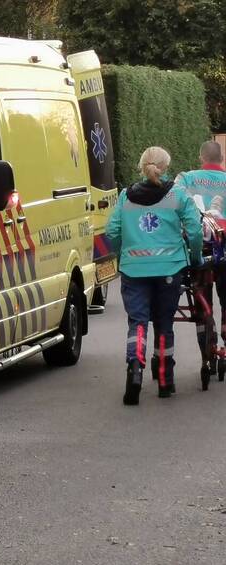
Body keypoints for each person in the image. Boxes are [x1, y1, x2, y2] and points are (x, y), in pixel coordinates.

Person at [107, 146, 203, 405]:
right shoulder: (177, 195)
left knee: (137, 322)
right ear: (167, 167)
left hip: (133, 270)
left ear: (141, 166)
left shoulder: (126, 196)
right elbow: (194, 230)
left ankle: (135, 370)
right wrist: (195, 257)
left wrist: (123, 254)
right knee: (163, 323)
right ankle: (164, 378)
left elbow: (112, 231)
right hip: (169, 269)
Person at [175, 140, 226, 355]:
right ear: (222, 159)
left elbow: (171, 206)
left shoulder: (187, 178)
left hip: (200, 246)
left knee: (201, 297)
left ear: (201, 158)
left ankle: (207, 344)